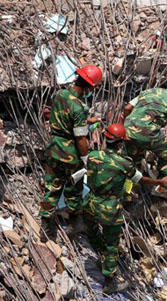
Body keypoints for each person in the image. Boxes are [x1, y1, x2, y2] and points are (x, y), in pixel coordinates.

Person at [84, 123, 167, 294]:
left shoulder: (93, 156)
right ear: (120, 144)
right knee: (111, 245)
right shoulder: (125, 163)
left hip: (90, 204)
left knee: (93, 232)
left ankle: (100, 259)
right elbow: (141, 180)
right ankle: (110, 283)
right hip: (109, 208)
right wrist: (160, 182)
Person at [40, 64, 102, 242]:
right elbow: (81, 138)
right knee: (74, 189)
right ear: (90, 87)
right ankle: (74, 224)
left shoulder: (60, 94)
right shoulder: (79, 107)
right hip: (70, 154)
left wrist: (86, 120)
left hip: (54, 148)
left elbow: (62, 116)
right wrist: (85, 158)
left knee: (52, 187)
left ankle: (46, 227)